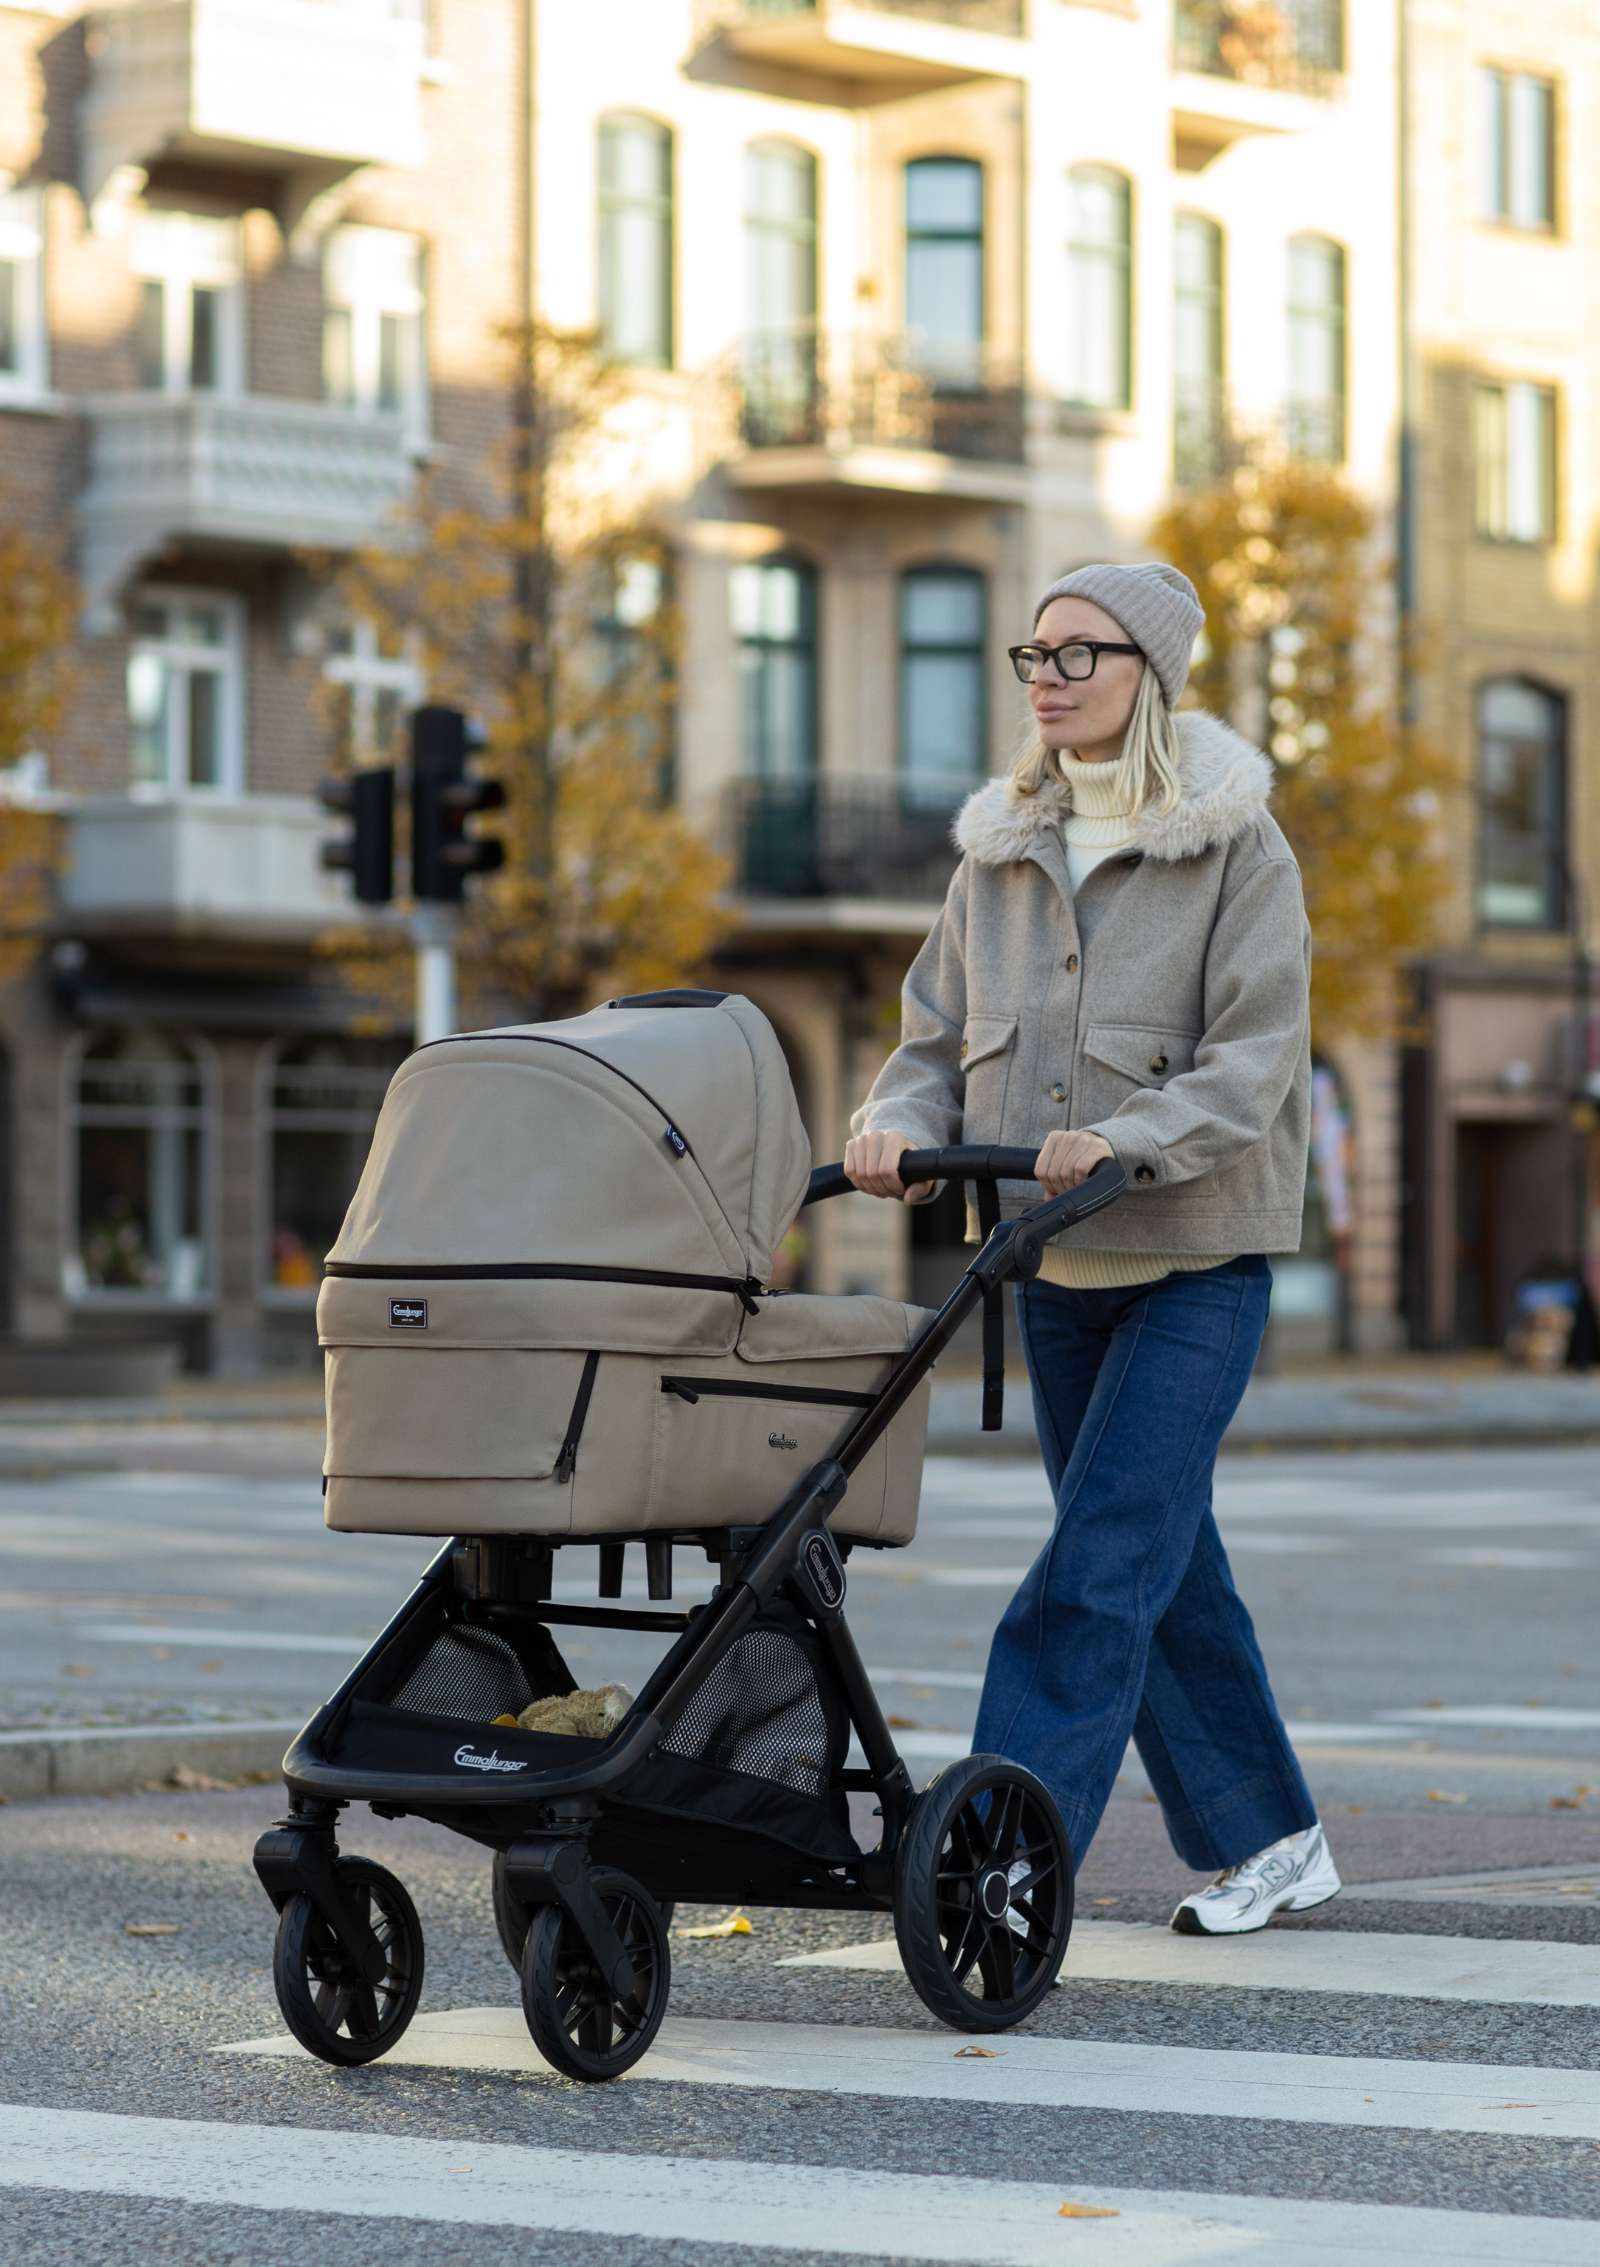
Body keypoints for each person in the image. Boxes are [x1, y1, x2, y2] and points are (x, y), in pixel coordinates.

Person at [843, 559, 1338, 1937]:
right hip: (1047, 1265)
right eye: (1036, 656)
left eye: (1082, 654)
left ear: (1154, 676)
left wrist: (1129, 1136)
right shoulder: (998, 853)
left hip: (1194, 1262)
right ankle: (1274, 1837)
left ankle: (1002, 1859)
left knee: (1102, 1561)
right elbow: (930, 1037)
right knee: (1159, 1560)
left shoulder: (1239, 851)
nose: (1049, 678)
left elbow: (1254, 1062)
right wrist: (893, 1120)